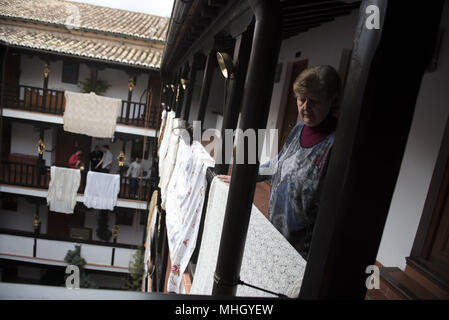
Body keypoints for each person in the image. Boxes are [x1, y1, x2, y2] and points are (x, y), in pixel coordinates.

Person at [218, 65, 342, 260]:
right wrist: (242, 178)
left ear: (331, 100)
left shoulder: (335, 145)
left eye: (315, 101)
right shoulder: (299, 129)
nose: (306, 107)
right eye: (302, 100)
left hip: (302, 253)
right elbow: (279, 162)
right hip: (277, 237)